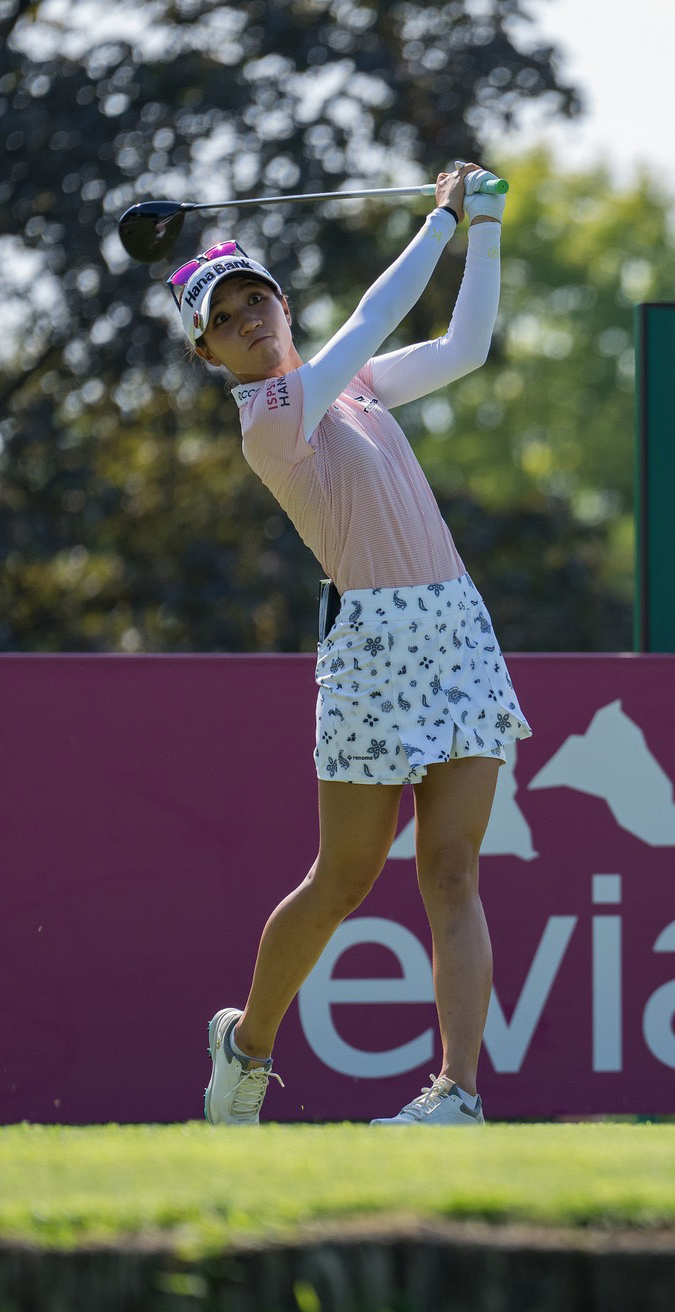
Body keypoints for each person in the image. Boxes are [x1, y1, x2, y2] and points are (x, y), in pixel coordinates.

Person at [178, 160, 532, 1126]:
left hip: (455, 625)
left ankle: (457, 1094)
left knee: (452, 868)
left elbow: (464, 348)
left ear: (281, 302)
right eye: (226, 319)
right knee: (343, 880)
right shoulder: (270, 420)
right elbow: (371, 319)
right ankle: (245, 1047)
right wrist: (438, 223)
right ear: (211, 353)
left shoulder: (358, 389)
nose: (250, 320)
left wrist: (485, 229)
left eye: (258, 300)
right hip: (374, 647)